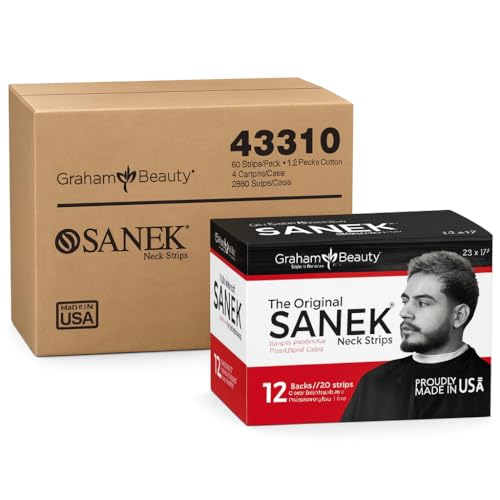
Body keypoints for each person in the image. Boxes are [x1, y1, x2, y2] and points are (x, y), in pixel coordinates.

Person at [341, 250, 490, 422]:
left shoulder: (490, 384)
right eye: (405, 301)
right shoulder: (374, 383)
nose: (404, 312)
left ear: (458, 316)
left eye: (423, 303)